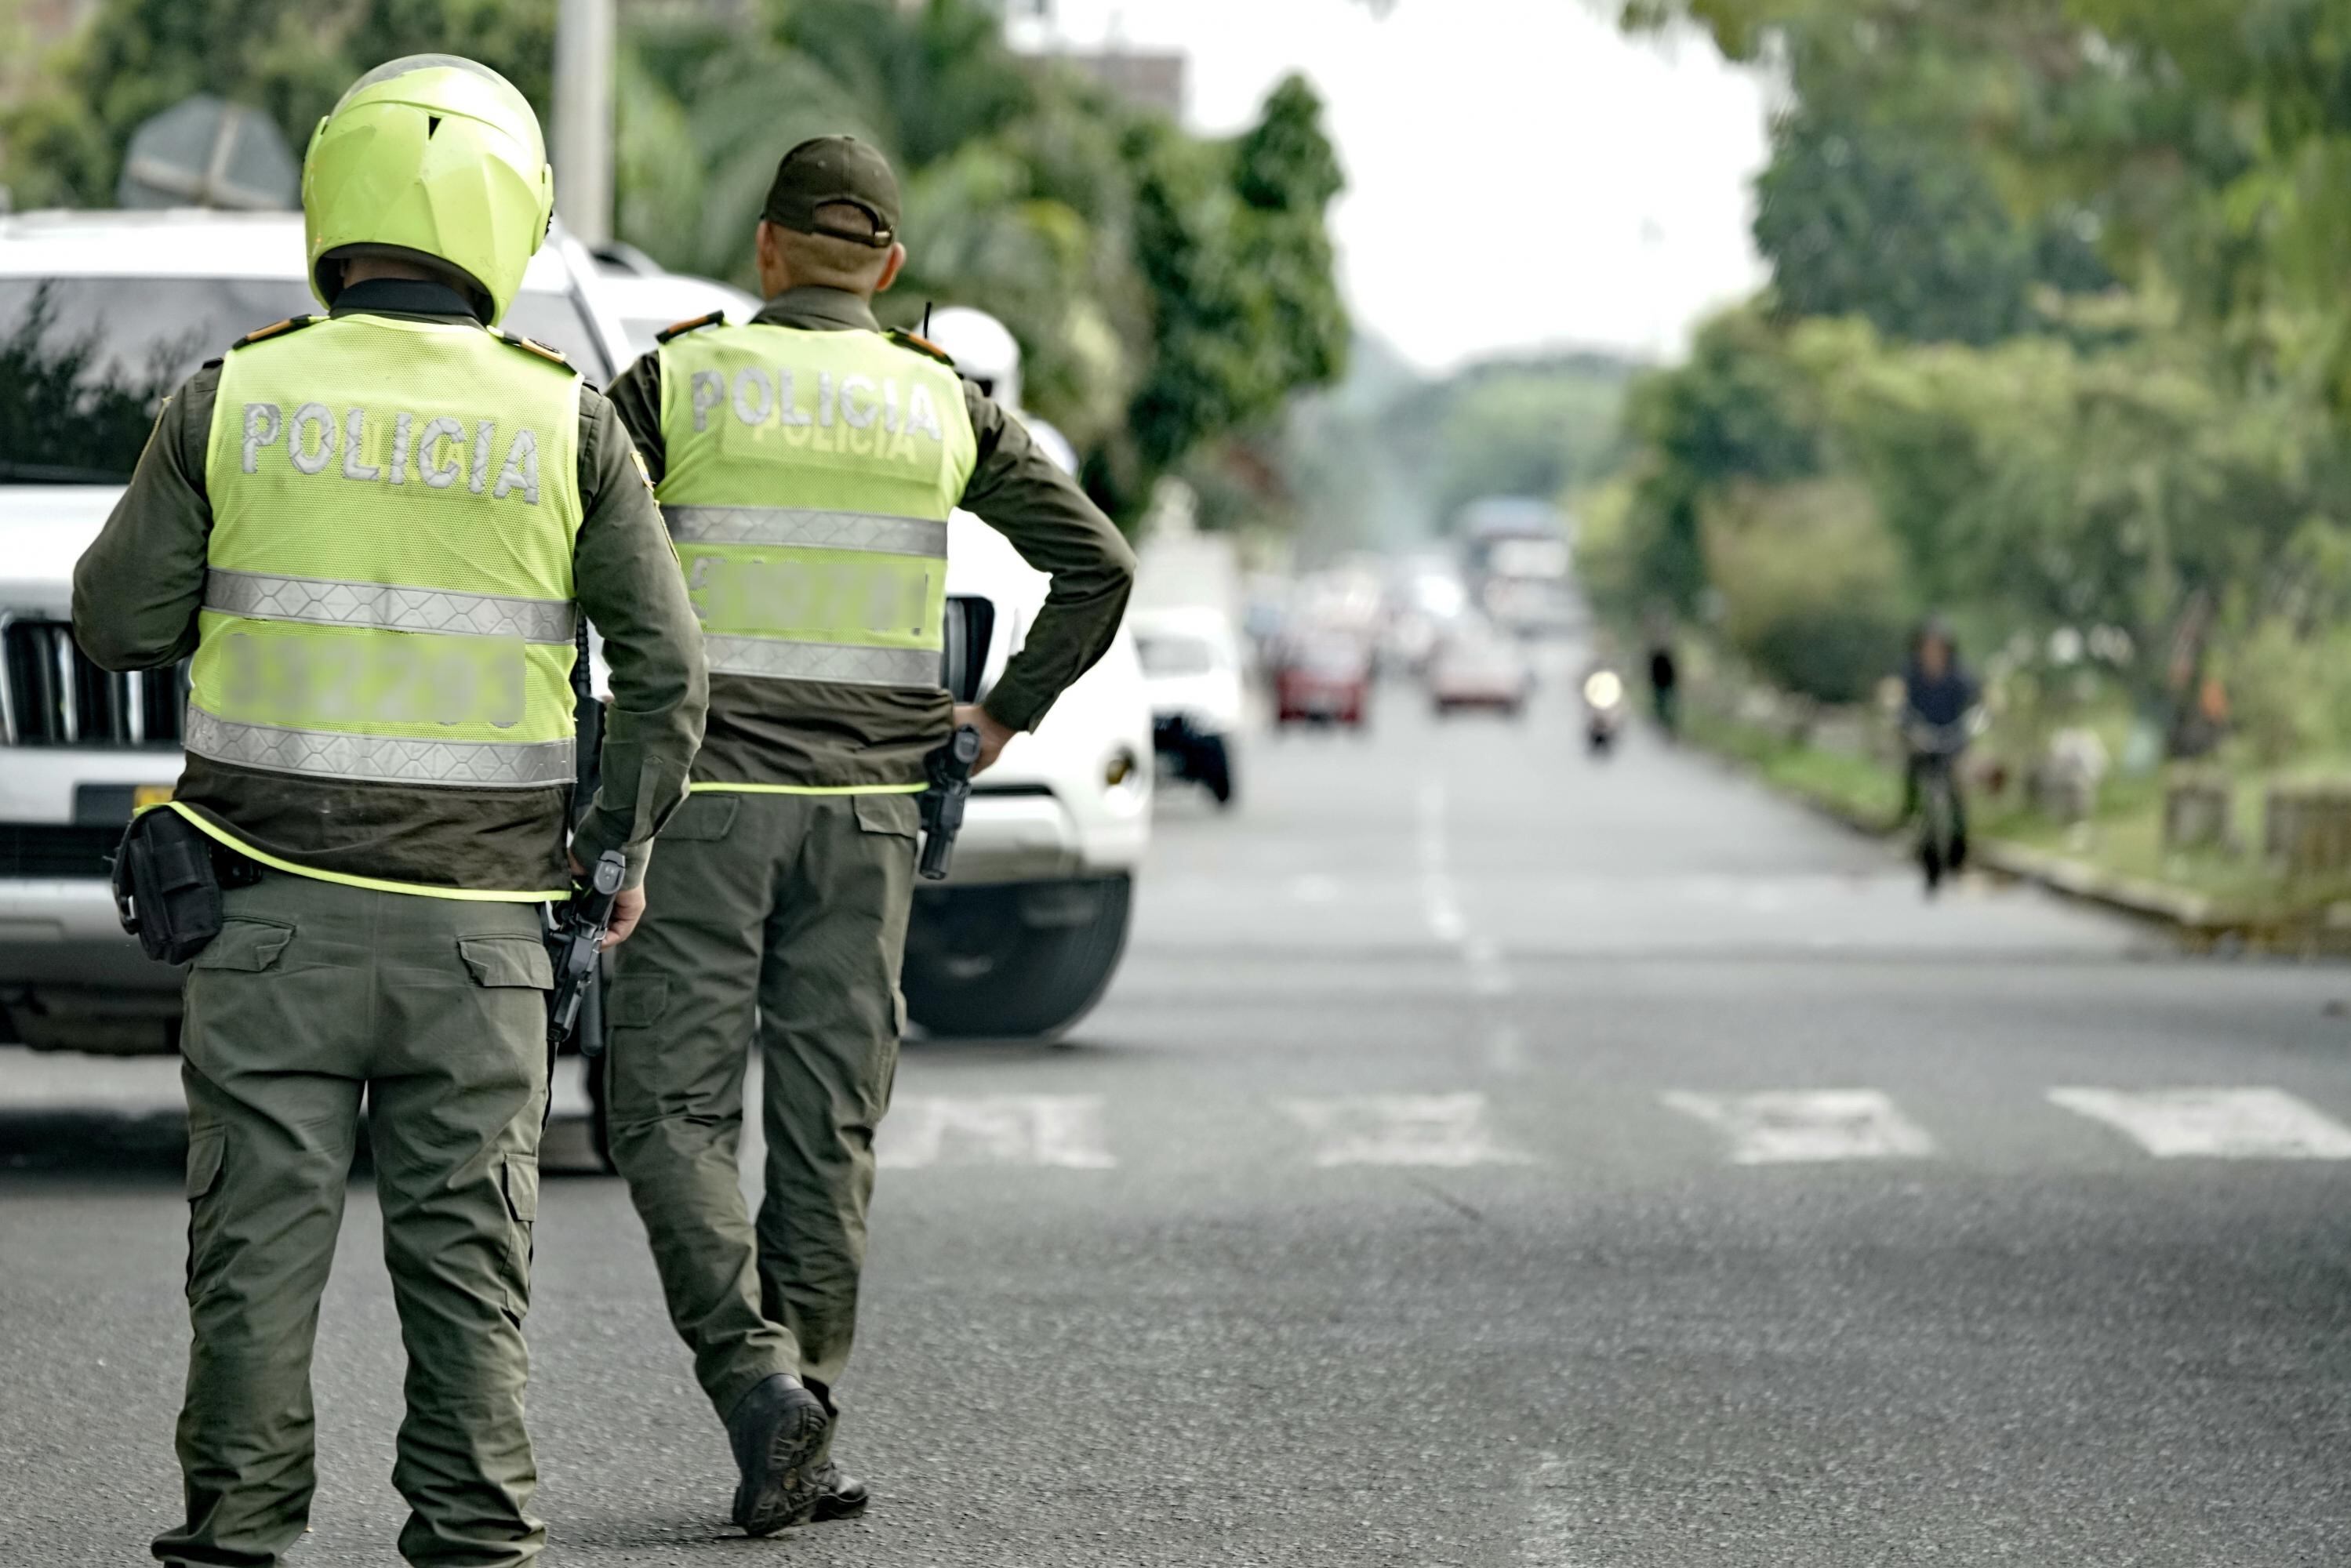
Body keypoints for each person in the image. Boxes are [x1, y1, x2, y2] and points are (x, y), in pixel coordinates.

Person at [71, 56, 707, 1568]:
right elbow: (669, 670)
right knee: (470, 1259)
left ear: (333, 203)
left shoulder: (233, 395)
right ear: (506, 217)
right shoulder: (565, 423)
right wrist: (613, 852)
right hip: (482, 945)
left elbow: (112, 623)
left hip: (262, 930)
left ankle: (235, 1530)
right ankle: (476, 1532)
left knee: (251, 1258)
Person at [599, 135, 1137, 1534]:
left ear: (766, 249)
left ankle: (753, 1380)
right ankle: (808, 1417)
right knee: (829, 1121)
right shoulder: (940, 404)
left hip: (705, 807)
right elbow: (1098, 565)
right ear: (889, 267)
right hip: (870, 820)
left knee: (668, 1110)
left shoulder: (679, 379)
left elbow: (566, 540)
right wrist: (998, 718)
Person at [1900, 619, 1979, 872]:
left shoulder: (1960, 678)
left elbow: (1976, 706)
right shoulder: (1914, 677)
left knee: (1957, 789)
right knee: (1913, 772)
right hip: (1923, 739)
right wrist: (1910, 728)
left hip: (1954, 739)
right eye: (1928, 648)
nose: (1932, 653)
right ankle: (1909, 815)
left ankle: (1959, 844)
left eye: (1938, 648)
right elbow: (1903, 708)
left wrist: (1970, 726)